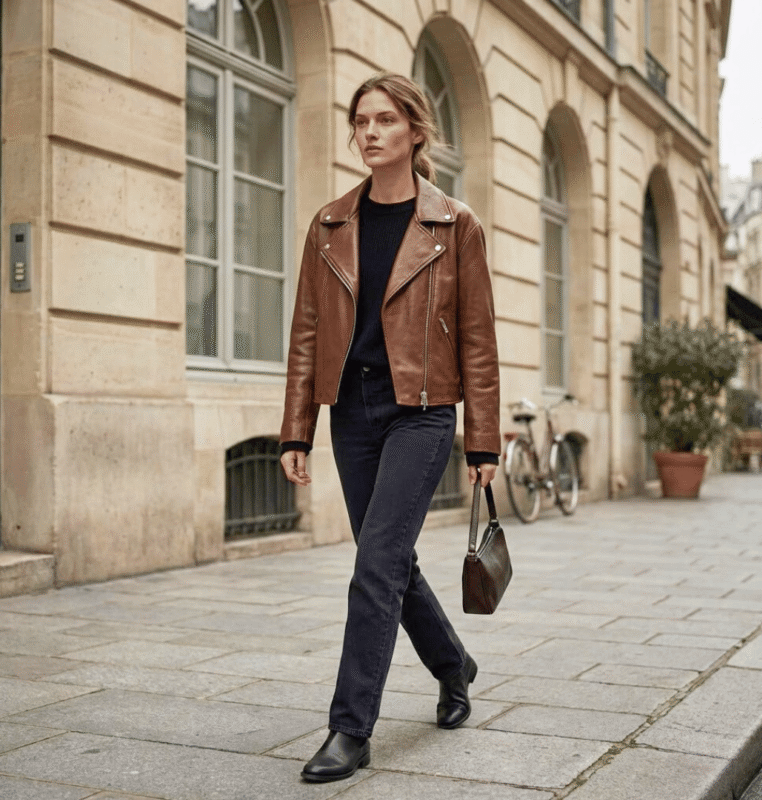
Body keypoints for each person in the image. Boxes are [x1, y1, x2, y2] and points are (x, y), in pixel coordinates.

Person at [279, 73, 500, 783]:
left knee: (374, 565)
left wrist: (483, 439)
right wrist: (295, 430)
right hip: (353, 411)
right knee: (392, 563)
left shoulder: (453, 223)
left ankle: (351, 729)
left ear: (414, 131)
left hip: (423, 412)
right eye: (360, 121)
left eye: (383, 120)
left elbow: (478, 337)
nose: (368, 132)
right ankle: (453, 663)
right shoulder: (330, 223)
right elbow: (307, 331)